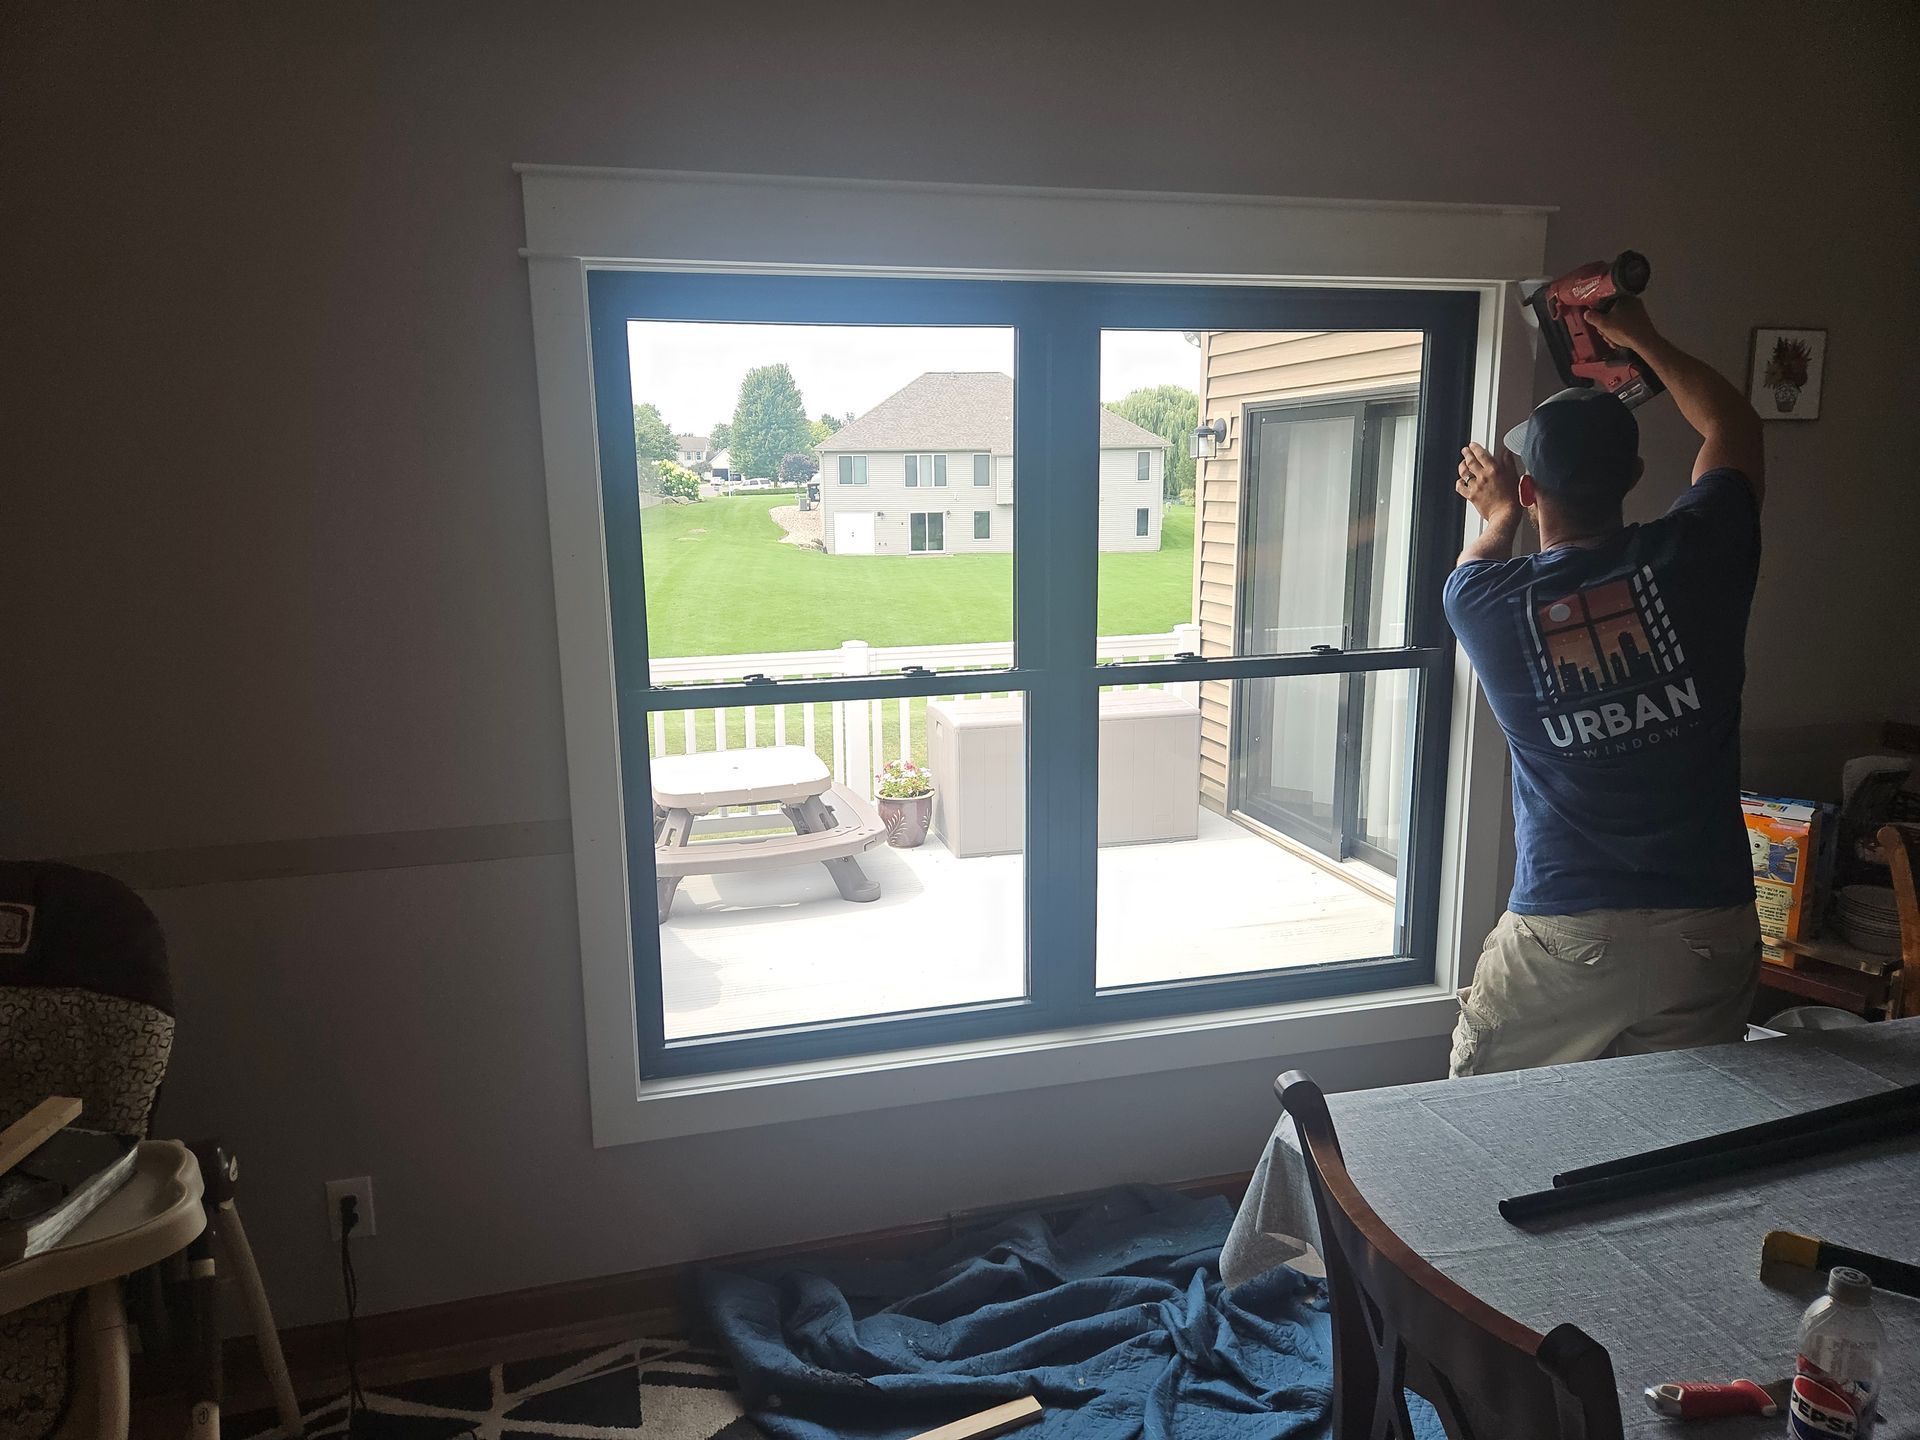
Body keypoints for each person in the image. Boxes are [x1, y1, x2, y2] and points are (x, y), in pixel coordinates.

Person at [1444, 297, 1765, 1076]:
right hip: (1709, 928)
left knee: (1478, 1134)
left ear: (1528, 494)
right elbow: (1733, 429)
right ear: (1635, 476)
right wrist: (1644, 338)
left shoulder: (1485, 603)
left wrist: (1494, 515)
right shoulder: (1702, 551)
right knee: (1674, 1146)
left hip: (1566, 930)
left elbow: (1480, 555)